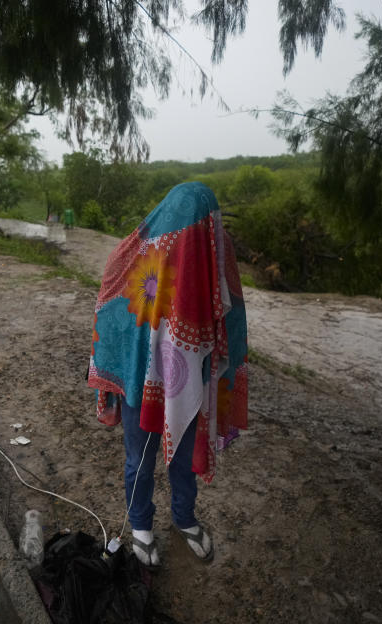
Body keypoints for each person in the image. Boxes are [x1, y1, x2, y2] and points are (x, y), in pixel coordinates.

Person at [87, 181, 248, 568]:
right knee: (139, 456)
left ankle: (184, 517)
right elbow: (110, 311)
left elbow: (233, 315)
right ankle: (141, 525)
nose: (199, 233)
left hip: (193, 374)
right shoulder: (133, 252)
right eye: (192, 225)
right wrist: (127, 363)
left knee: (183, 455)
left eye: (205, 224)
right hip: (140, 376)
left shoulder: (216, 248)